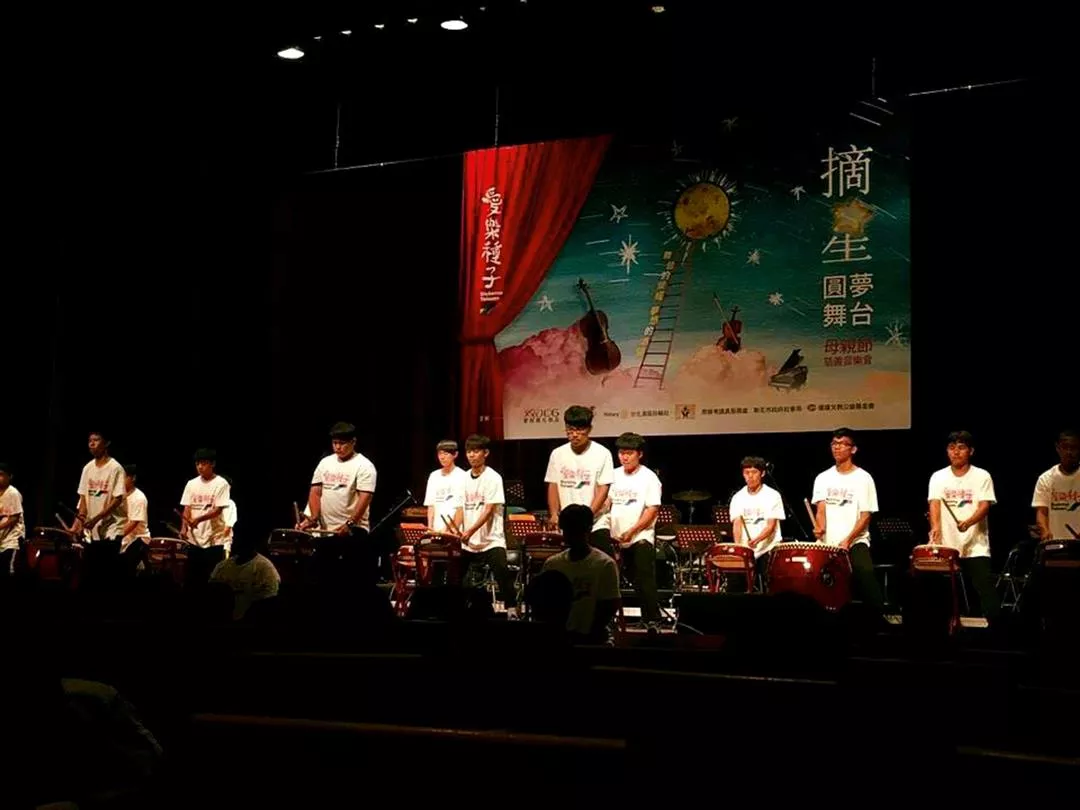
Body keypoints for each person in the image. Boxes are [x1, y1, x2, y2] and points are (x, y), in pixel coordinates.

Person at [926, 431, 1000, 624]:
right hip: (947, 544)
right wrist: (935, 528)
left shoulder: (982, 476)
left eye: (961, 447)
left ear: (971, 451)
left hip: (976, 545)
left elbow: (984, 506)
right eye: (952, 448)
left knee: (985, 587)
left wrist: (968, 522)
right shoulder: (938, 477)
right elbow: (934, 504)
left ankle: (996, 628)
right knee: (943, 591)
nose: (956, 452)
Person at [810, 427, 885, 612]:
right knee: (812, 577)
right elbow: (821, 510)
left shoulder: (864, 478)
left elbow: (865, 515)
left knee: (865, 574)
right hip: (828, 543)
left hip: (855, 541)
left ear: (853, 449)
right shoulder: (823, 478)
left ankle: (879, 617)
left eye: (842, 444)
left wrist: (848, 540)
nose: (837, 447)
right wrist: (819, 528)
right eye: (834, 444)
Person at [297, 422, 378, 580]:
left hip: (351, 532)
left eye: (342, 443)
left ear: (353, 442)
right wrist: (313, 517)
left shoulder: (364, 465)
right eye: (335, 443)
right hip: (325, 532)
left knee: (345, 578)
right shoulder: (325, 463)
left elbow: (365, 498)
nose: (338, 447)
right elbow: (315, 491)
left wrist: (350, 523)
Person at [540, 504, 621, 643]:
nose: (571, 535)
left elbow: (609, 606)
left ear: (588, 529)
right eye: (568, 530)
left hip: (591, 638)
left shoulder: (604, 565)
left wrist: (590, 634)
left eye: (575, 530)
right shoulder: (552, 564)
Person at [607, 432, 661, 632]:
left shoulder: (649, 478)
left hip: (640, 537)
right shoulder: (613, 475)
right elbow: (607, 502)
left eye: (629, 453)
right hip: (615, 537)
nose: (624, 457)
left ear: (640, 454)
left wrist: (632, 531)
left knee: (644, 579)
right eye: (621, 453)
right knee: (618, 580)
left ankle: (653, 619)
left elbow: (652, 509)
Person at [545, 405, 615, 556]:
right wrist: (554, 514)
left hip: (596, 522)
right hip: (569, 523)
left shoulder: (602, 453)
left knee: (603, 559)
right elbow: (553, 484)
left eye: (579, 430)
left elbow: (603, 489)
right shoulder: (557, 454)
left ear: (589, 429)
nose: (575, 435)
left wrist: (587, 516)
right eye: (570, 430)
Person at [459, 434, 517, 615]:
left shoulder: (493, 477)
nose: (471, 455)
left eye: (476, 451)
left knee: (502, 574)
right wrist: (454, 531)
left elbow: (489, 509)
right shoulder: (463, 478)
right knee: (457, 577)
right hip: (469, 541)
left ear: (486, 453)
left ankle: (512, 609)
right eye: (469, 451)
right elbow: (460, 508)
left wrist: (470, 530)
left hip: (491, 539)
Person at [73, 430, 127, 582]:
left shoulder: (115, 468)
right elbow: (83, 497)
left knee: (105, 575)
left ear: (106, 443)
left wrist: (96, 518)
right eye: (90, 440)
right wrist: (80, 520)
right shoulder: (87, 468)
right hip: (92, 531)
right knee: (89, 575)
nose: (91, 444)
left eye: (96, 440)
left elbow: (117, 499)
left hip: (111, 530)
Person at [729, 456, 785, 584]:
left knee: (766, 582)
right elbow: (737, 524)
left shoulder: (773, 496)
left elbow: (770, 526)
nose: (750, 476)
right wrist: (739, 547)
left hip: (767, 549)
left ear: (762, 473)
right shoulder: (738, 497)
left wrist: (757, 539)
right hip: (746, 550)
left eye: (754, 472)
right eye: (747, 472)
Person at [180, 448, 232, 585]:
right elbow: (187, 507)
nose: (200, 467)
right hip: (194, 540)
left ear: (212, 464)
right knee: (192, 580)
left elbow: (217, 510)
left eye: (203, 463)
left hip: (214, 540)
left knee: (211, 580)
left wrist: (198, 519)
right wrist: (184, 528)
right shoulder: (191, 484)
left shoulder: (221, 484)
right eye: (197, 464)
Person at [209, 528, 281, 620]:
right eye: (234, 537)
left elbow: (268, 606)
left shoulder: (265, 569)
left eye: (237, 538)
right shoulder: (222, 566)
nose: (232, 541)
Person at [1032, 429, 1080, 541]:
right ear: (1058, 448)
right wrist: (1045, 531)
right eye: (1065, 447)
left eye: (1073, 448)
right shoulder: (1046, 478)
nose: (1069, 452)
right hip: (1056, 543)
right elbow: (1042, 512)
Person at [424, 439, 468, 532]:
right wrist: (430, 527)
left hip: (455, 530)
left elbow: (461, 507)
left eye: (446, 453)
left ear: (455, 454)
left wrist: (449, 529)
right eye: (440, 453)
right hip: (436, 529)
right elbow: (431, 505)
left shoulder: (462, 476)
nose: (442, 457)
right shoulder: (434, 476)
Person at [119, 464, 151, 577]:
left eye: (124, 477)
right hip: (123, 537)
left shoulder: (139, 498)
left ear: (132, 478)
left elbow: (133, 523)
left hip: (138, 538)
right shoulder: (117, 496)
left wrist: (116, 536)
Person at [0, 462, 25, 577]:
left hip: (12, 540)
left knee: (8, 571)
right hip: (2, 540)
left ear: (9, 476)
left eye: (1, 474)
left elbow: (14, 518)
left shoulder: (13, 493)